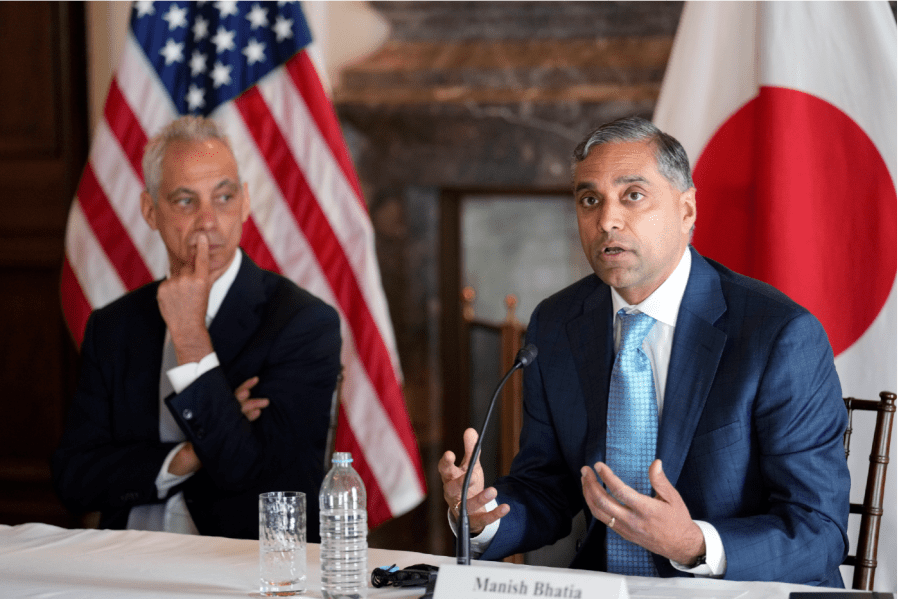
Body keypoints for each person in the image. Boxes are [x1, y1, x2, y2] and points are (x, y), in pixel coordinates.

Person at [439, 116, 850, 586]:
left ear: (687, 210)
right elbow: (546, 488)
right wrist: (483, 517)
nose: (607, 220)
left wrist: (693, 543)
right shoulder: (557, 323)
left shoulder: (778, 335)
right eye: (589, 199)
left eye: (633, 195)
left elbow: (820, 531)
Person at [53, 116, 341, 541]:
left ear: (244, 202)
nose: (208, 221)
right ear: (150, 211)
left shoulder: (301, 323)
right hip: (124, 565)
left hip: (236, 572)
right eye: (186, 201)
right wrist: (188, 455)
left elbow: (266, 487)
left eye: (223, 198)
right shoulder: (113, 326)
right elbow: (74, 480)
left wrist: (190, 337)